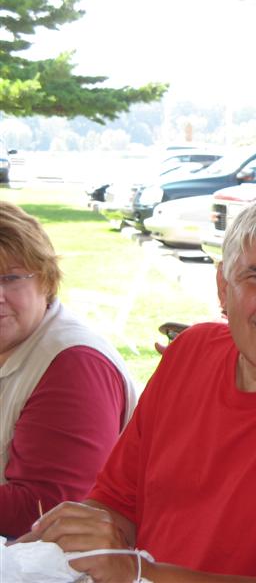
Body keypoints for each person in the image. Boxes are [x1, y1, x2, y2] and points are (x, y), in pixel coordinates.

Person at [20, 193, 256, 582]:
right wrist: (85, 534)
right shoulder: (189, 353)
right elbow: (118, 500)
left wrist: (138, 573)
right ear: (223, 286)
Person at [0, 201, 137, 538]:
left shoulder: (74, 367)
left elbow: (50, 508)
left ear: (46, 281)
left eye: (10, 278)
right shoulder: (15, 340)